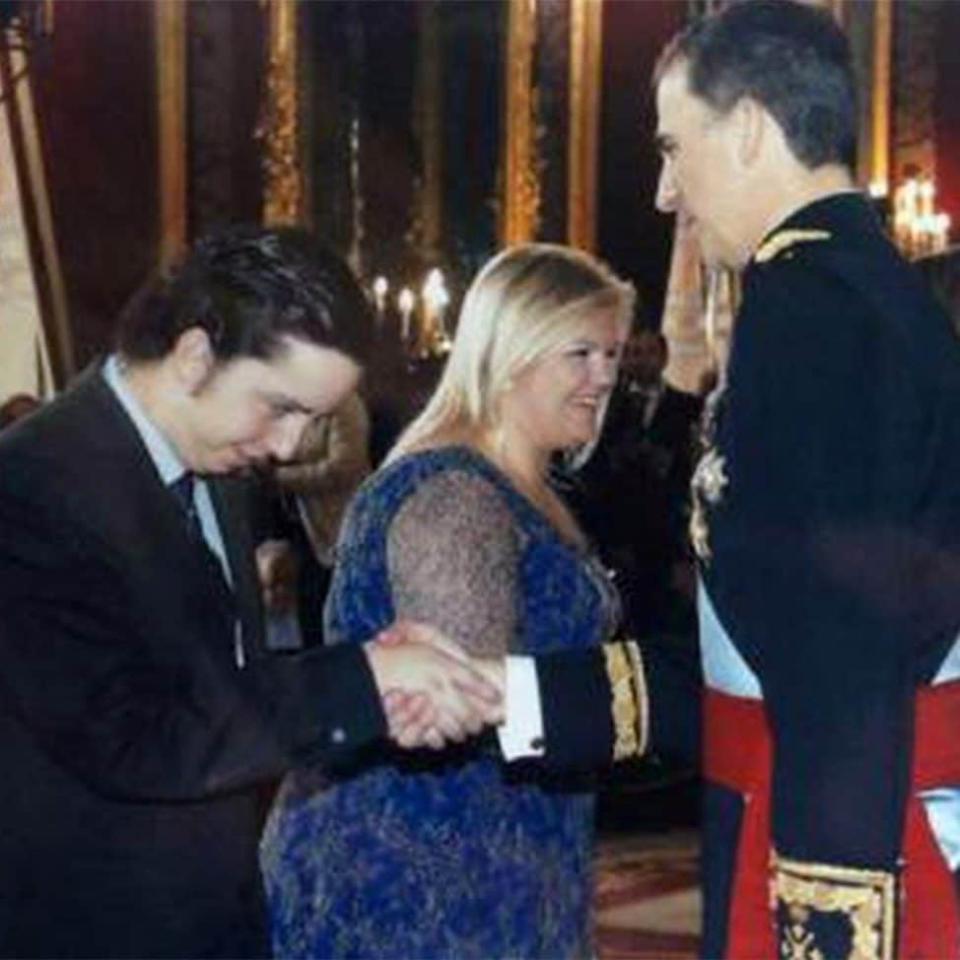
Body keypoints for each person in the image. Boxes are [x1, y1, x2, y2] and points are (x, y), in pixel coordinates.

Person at [480, 4, 960, 957]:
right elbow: (760, 631)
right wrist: (523, 699)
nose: (664, 192)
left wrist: (831, 921)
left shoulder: (813, 310)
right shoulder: (850, 292)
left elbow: (843, 640)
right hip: (808, 790)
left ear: (745, 127)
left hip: (831, 834)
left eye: (672, 146)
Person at [0, 227, 499, 959]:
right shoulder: (32, 485)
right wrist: (355, 682)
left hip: (211, 917)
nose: (291, 447)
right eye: (279, 406)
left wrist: (374, 681)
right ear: (195, 355)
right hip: (89, 926)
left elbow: (220, 690)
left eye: (313, 420)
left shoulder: (219, 469)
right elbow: (135, 735)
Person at [260, 243, 634, 959]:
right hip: (421, 875)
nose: (605, 377)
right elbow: (458, 706)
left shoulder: (520, 486)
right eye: (580, 354)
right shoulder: (456, 496)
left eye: (612, 354)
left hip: (504, 852)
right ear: (510, 351)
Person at [573, 327, 701, 637]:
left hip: (668, 547)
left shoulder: (689, 409)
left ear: (664, 356)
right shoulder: (604, 409)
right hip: (616, 547)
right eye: (632, 353)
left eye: (648, 353)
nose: (640, 361)